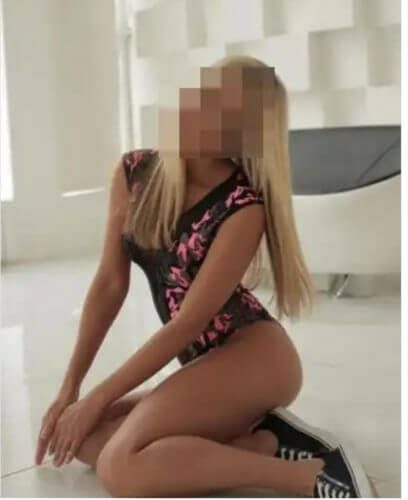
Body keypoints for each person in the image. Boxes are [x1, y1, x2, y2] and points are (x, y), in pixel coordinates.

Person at [34, 55, 374, 498]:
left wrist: (97, 397)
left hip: (254, 357)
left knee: (120, 466)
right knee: (82, 437)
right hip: (201, 367)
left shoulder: (242, 206)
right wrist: (71, 390)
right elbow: (109, 285)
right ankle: (262, 441)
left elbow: (187, 325)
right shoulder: (135, 172)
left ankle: (308, 474)